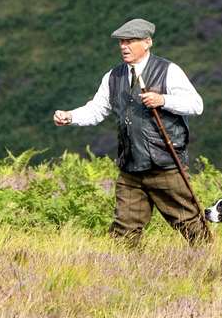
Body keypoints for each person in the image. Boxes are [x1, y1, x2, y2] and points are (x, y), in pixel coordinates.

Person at [53, 18, 210, 247]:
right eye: (121, 42)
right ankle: (123, 275)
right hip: (130, 168)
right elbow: (97, 109)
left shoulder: (169, 71)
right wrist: (70, 116)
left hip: (165, 164)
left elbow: (196, 105)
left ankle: (211, 262)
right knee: (123, 230)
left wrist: (163, 100)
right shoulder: (113, 76)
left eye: (130, 41)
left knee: (190, 224)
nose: (124, 46)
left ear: (147, 42)